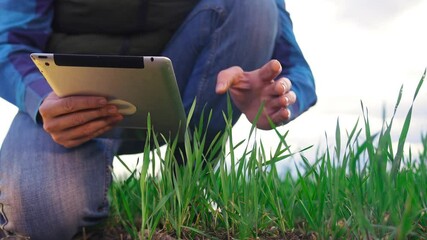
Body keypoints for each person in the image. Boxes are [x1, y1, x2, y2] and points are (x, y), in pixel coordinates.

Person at [0, 0, 317, 238]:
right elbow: (8, 42)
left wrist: (279, 97)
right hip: (71, 100)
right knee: (37, 217)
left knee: (254, 6)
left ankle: (188, 189)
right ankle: (89, 202)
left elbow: (294, 67)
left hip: (178, 89)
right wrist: (41, 100)